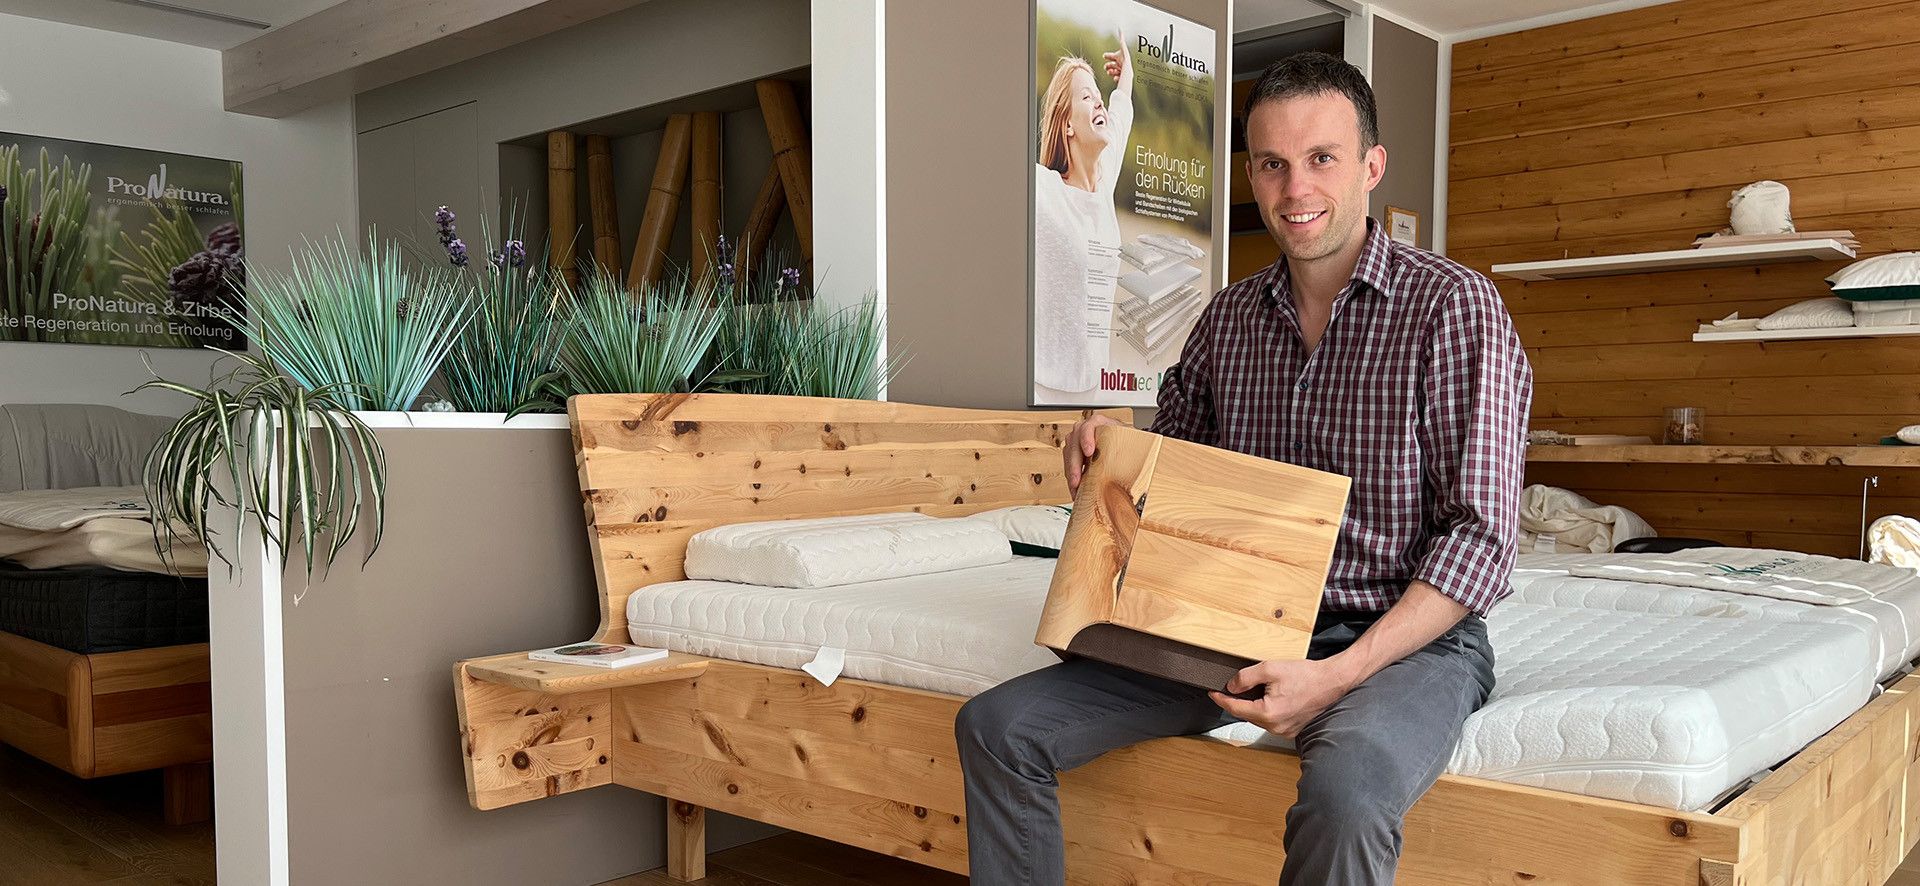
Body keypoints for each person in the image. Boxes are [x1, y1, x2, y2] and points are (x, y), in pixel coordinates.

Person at [958, 51, 1533, 885]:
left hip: (1398, 641)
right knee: (998, 728)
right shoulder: (1226, 320)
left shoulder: (1454, 307)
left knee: (1347, 790)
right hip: (1227, 621)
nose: (1295, 189)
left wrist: (1333, 676)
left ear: (1372, 166)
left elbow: (1481, 538)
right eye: (1272, 164)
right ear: (1254, 174)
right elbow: (1173, 486)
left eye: (1322, 159)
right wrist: (1107, 459)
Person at [1032, 33, 1133, 395]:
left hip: (1094, 393)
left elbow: (1121, 114)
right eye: (1087, 97)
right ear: (1068, 125)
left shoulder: (1104, 186)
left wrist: (1126, 80)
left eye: (1099, 96)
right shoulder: (1043, 190)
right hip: (1044, 392)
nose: (1099, 104)